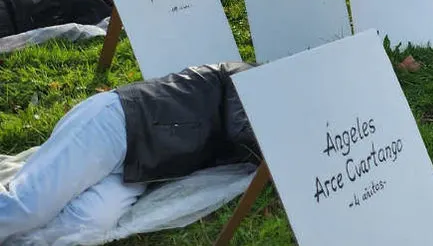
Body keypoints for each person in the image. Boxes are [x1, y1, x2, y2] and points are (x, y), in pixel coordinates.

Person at [0, 63, 260, 242]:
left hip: (141, 169)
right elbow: (241, 128)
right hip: (118, 123)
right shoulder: (244, 76)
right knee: (27, 208)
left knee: (87, 226)